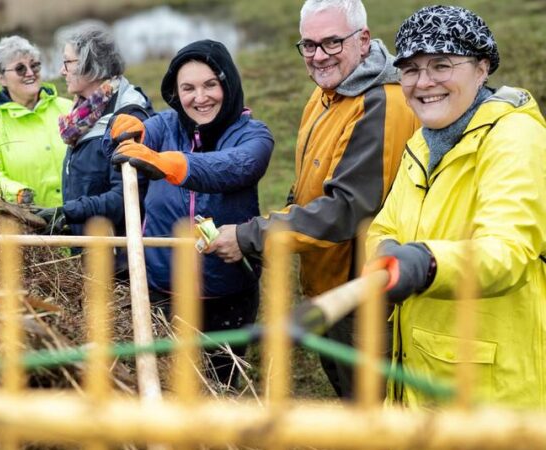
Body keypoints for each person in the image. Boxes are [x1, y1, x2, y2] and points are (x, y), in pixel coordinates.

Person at [205, 0, 419, 398]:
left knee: (373, 409)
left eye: (332, 42)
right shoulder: (326, 93)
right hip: (327, 283)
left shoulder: (380, 103)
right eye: (309, 44)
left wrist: (253, 236)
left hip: (362, 294)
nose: (319, 56)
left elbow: (346, 210)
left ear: (363, 40)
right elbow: (308, 185)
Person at [365, 5, 546, 408]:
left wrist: (426, 262)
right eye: (410, 69)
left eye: (441, 65)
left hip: (493, 398)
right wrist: (385, 251)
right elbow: (385, 226)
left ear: (482, 69)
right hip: (421, 382)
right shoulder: (423, 142)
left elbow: (508, 252)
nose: (423, 82)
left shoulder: (514, 137)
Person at [110, 40, 274, 384]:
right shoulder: (166, 126)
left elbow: (236, 166)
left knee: (219, 385)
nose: (200, 98)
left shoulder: (253, 135)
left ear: (228, 84)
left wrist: (173, 164)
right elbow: (139, 133)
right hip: (162, 289)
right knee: (167, 381)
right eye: (188, 88)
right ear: (176, 92)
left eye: (210, 85)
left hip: (226, 292)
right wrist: (130, 123)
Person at [36, 24, 152, 260]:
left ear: (92, 65)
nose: (61, 71)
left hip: (122, 262)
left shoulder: (127, 116)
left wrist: (69, 212)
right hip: (92, 253)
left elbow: (126, 197)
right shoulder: (84, 117)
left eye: (67, 62)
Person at [0, 36, 72, 207]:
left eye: (34, 65)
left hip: (83, 214)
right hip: (29, 219)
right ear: (2, 78)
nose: (30, 73)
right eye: (20, 69)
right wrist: (18, 194)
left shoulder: (67, 108)